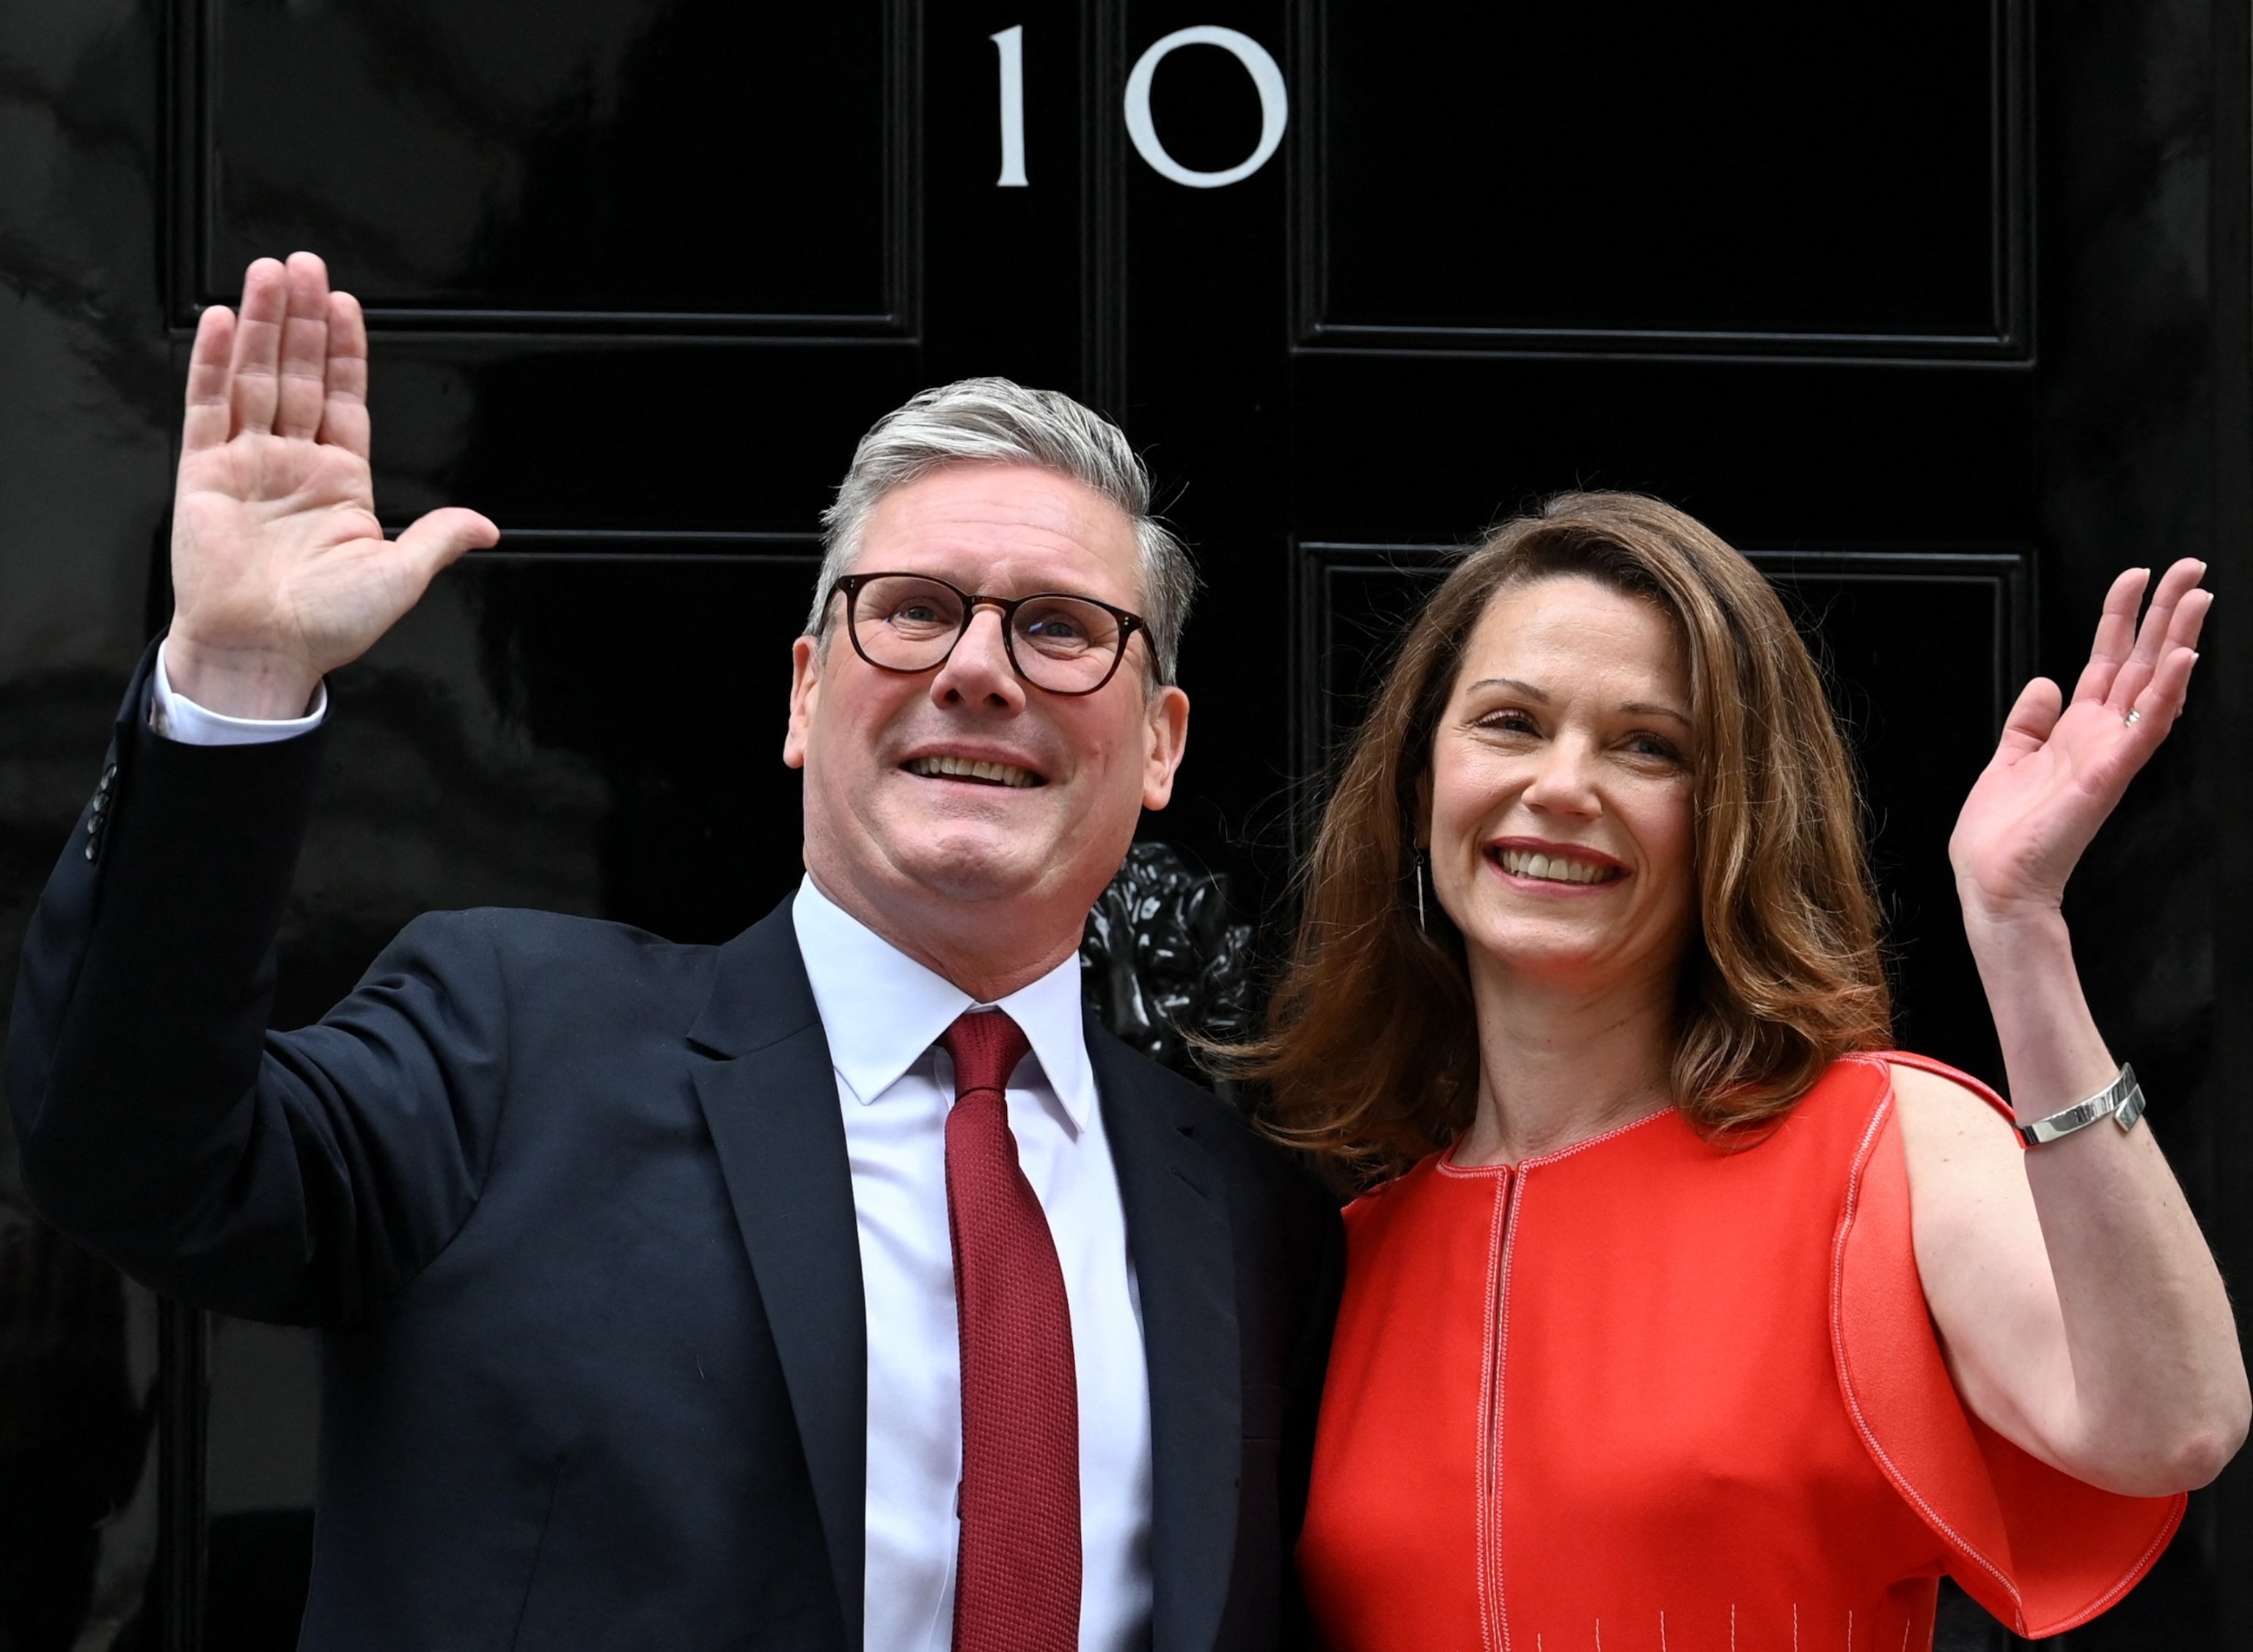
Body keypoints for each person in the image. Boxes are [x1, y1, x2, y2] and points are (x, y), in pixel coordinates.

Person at [6, 252, 1343, 1651]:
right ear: (806, 690)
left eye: (1061, 628)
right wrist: (236, 677)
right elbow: (129, 1153)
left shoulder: (1253, 1221)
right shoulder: (507, 1041)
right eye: (913, 610)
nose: (979, 669)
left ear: (1162, 745)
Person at [1237, 494, 2249, 1648]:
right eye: (1511, 723)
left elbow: (2175, 1423)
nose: (1564, 785)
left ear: (1729, 816)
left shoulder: (1881, 1146)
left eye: (1647, 745)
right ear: (1422, 790)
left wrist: (2017, 928)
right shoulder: (1344, 1252)